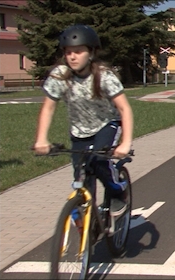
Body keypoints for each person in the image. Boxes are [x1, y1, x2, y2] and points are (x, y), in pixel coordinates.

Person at [33, 25, 134, 216]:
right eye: (68, 52)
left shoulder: (104, 76)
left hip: (107, 124)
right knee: (81, 174)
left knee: (98, 161)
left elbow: (124, 109)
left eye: (78, 52)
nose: (72, 57)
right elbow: (48, 108)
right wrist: (41, 139)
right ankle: (87, 222)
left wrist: (125, 143)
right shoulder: (59, 76)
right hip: (79, 131)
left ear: (91, 52)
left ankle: (117, 191)